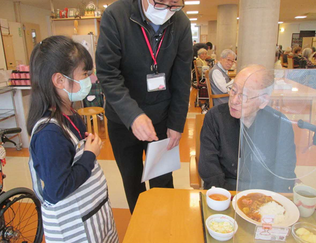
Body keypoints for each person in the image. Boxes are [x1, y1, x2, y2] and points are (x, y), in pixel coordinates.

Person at [96, 0, 193, 213]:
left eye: (174, 4)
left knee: (163, 181)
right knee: (133, 182)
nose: (167, 10)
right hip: (122, 119)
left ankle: (163, 229)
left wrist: (176, 123)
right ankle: (142, 228)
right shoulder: (116, 15)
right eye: (161, 3)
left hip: (162, 117)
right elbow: (108, 74)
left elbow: (182, 78)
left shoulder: (181, 22)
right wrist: (132, 115)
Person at [27, 36, 118, 242]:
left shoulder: (71, 114)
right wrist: (89, 155)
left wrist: (87, 149)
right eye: (85, 74)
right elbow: (57, 189)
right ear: (59, 80)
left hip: (92, 215)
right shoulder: (48, 133)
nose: (90, 79)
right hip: (74, 228)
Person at [199, 65, 296, 192]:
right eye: (233, 90)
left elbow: (285, 171)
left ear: (263, 101)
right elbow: (209, 168)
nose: (233, 101)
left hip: (265, 194)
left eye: (243, 96)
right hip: (226, 191)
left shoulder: (280, 124)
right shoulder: (215, 118)